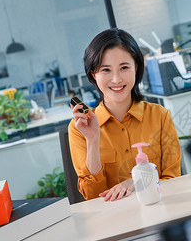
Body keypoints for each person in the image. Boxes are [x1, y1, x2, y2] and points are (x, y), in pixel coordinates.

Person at [68, 28, 181, 201]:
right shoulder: (79, 129)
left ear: (136, 67)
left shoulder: (160, 116)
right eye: (106, 70)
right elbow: (92, 196)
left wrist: (135, 182)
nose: (116, 79)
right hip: (114, 222)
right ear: (93, 74)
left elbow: (174, 181)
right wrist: (92, 139)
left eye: (124, 67)